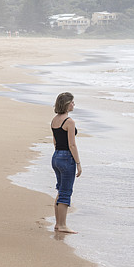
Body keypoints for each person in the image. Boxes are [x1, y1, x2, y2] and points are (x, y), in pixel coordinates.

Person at [51, 92, 82, 233]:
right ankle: (62, 225)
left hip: (56, 156)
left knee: (60, 189)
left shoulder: (54, 120)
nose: (73, 104)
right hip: (66, 157)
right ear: (66, 103)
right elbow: (72, 145)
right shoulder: (69, 122)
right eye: (72, 102)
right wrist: (78, 163)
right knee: (65, 192)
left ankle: (58, 224)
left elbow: (55, 141)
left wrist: (59, 155)